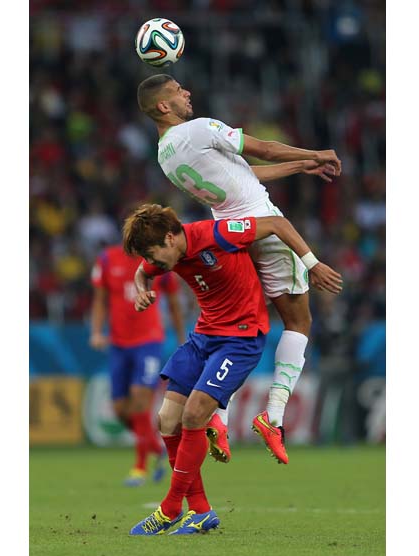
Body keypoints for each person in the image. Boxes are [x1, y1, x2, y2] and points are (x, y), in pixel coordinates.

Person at [137, 73, 342, 464]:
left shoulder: (165, 155)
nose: (187, 92)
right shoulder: (199, 129)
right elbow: (262, 149)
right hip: (262, 226)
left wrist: (302, 165)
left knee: (238, 323)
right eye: (179, 91)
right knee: (298, 323)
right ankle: (274, 417)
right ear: (164, 106)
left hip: (227, 235)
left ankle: (219, 417)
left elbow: (242, 176)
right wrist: (317, 153)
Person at [124, 203, 342, 535]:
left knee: (194, 415)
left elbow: (277, 224)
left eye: (155, 256)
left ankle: (169, 509)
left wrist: (311, 264)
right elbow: (142, 272)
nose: (153, 264)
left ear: (170, 238)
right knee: (166, 420)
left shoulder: (217, 234)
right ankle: (200, 511)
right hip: (203, 338)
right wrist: (143, 290)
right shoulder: (167, 254)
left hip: (240, 340)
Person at [90, 243, 186, 486]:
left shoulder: (158, 260)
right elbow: (100, 300)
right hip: (118, 344)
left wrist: (183, 339)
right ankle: (156, 446)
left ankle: (140, 467)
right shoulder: (107, 260)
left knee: (140, 400)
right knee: (121, 409)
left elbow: (174, 303)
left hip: (149, 342)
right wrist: (96, 331)